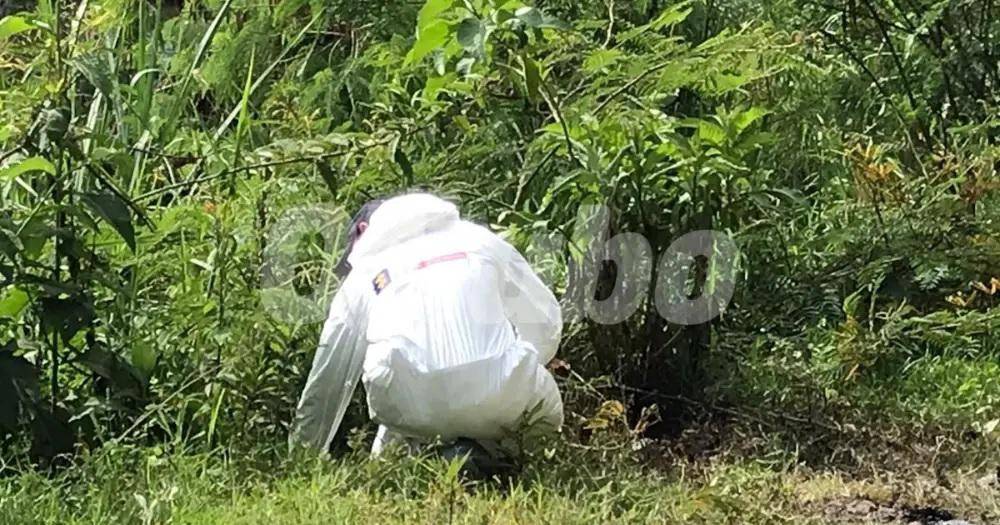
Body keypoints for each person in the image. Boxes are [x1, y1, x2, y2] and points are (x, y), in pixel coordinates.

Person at [291, 193, 564, 460]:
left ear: (364, 230)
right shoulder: (482, 240)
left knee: (396, 419)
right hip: (499, 397)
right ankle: (526, 463)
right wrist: (516, 366)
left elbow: (327, 379)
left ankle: (402, 469)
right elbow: (546, 323)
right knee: (540, 400)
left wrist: (304, 455)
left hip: (407, 408)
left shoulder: (366, 271)